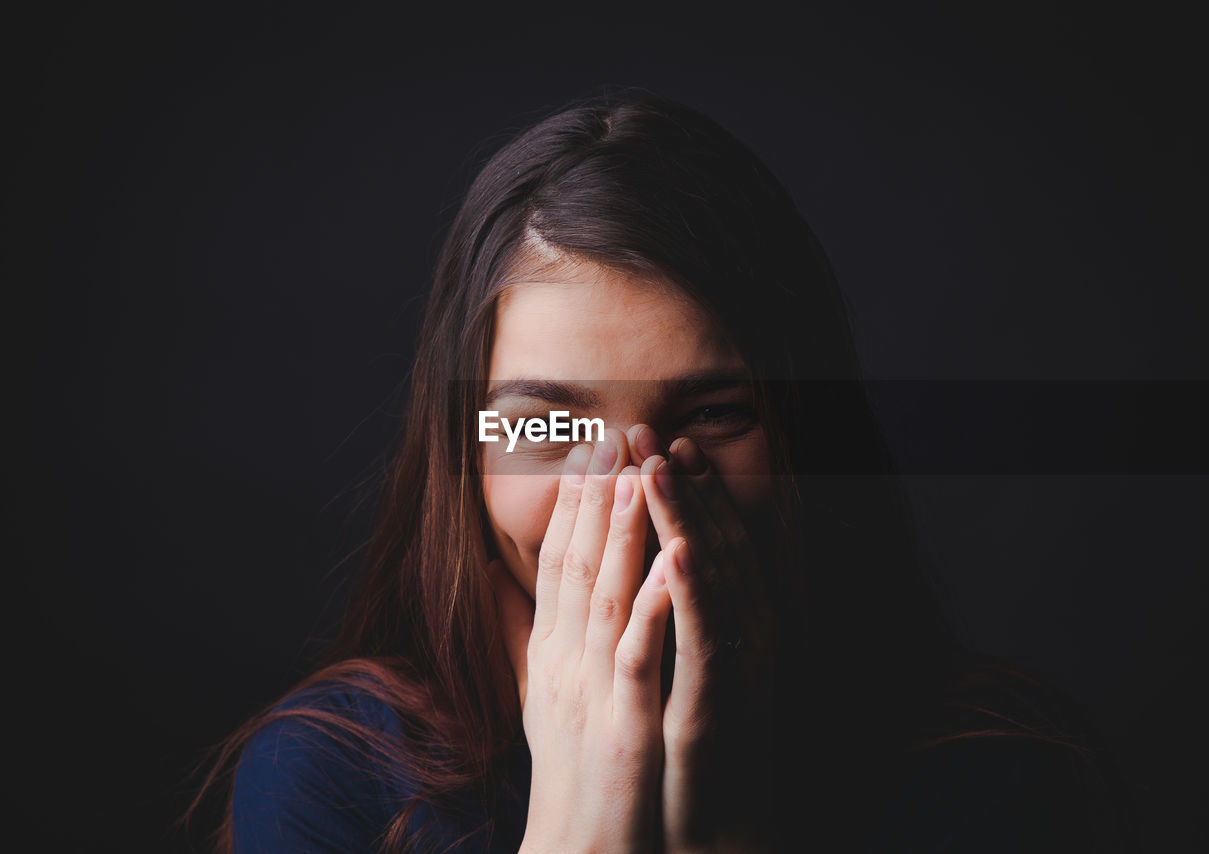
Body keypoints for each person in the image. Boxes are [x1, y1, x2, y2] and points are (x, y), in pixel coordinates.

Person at [186, 87, 1129, 852]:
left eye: (713, 416)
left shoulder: (1000, 775)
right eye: (551, 423)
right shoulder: (330, 778)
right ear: (462, 454)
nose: (633, 495)